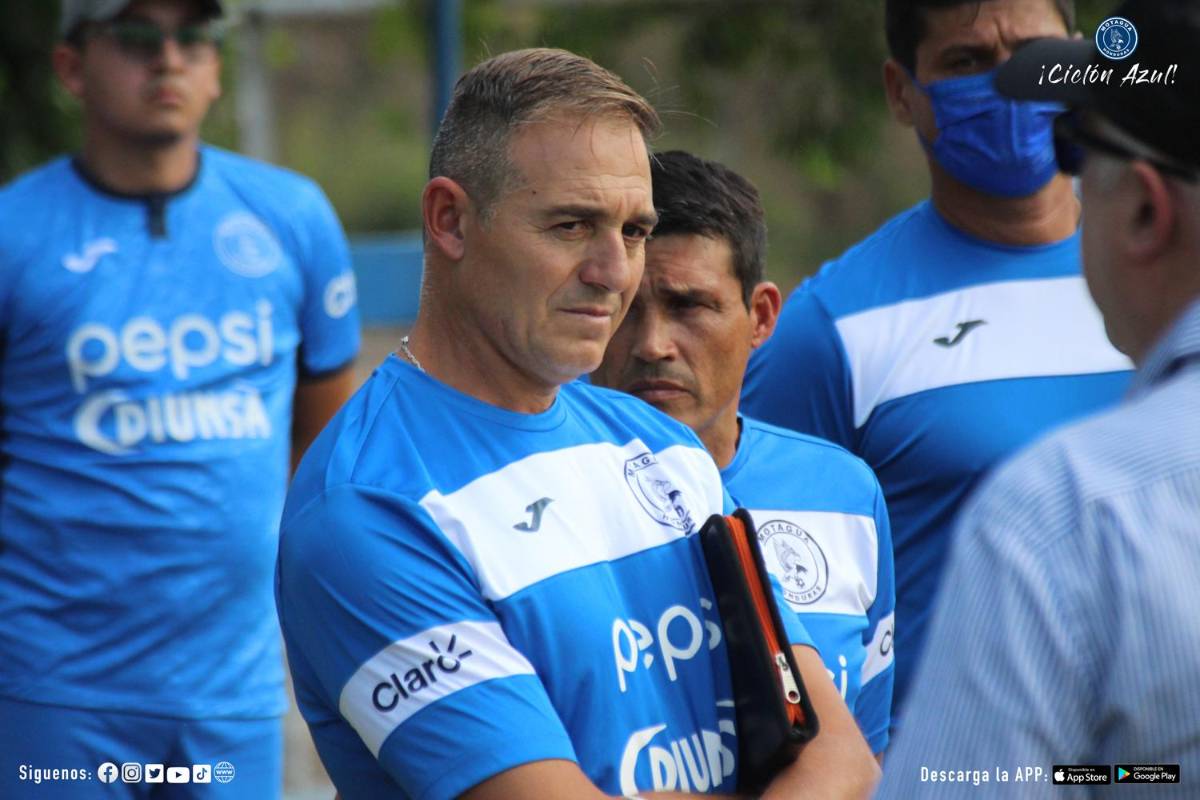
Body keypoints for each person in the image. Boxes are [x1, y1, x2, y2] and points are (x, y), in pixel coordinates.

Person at [277, 48, 879, 800]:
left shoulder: (658, 442)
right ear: (450, 220)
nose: (614, 270)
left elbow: (842, 756)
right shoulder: (368, 506)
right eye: (571, 225)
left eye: (632, 230)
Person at [0, 1, 360, 796]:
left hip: (231, 696)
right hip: (54, 695)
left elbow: (328, 456)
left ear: (216, 66)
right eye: (135, 36)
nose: (169, 57)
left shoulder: (291, 216)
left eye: (194, 36)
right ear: (70, 67)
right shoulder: (14, 234)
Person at [740, 0, 1134, 717]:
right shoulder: (830, 331)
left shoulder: (1165, 265)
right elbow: (764, 601)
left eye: (1031, 52)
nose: (1009, 83)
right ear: (900, 91)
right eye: (965, 62)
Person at [879, 1, 1200, 793]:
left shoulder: (1063, 510)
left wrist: (1121, 773)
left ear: (1145, 210)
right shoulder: (832, 323)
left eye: (1075, 150)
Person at [592, 150, 895, 759]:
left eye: (689, 306)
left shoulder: (844, 492)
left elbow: (868, 751)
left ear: (760, 317)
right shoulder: (533, 498)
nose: (653, 344)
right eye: (625, 309)